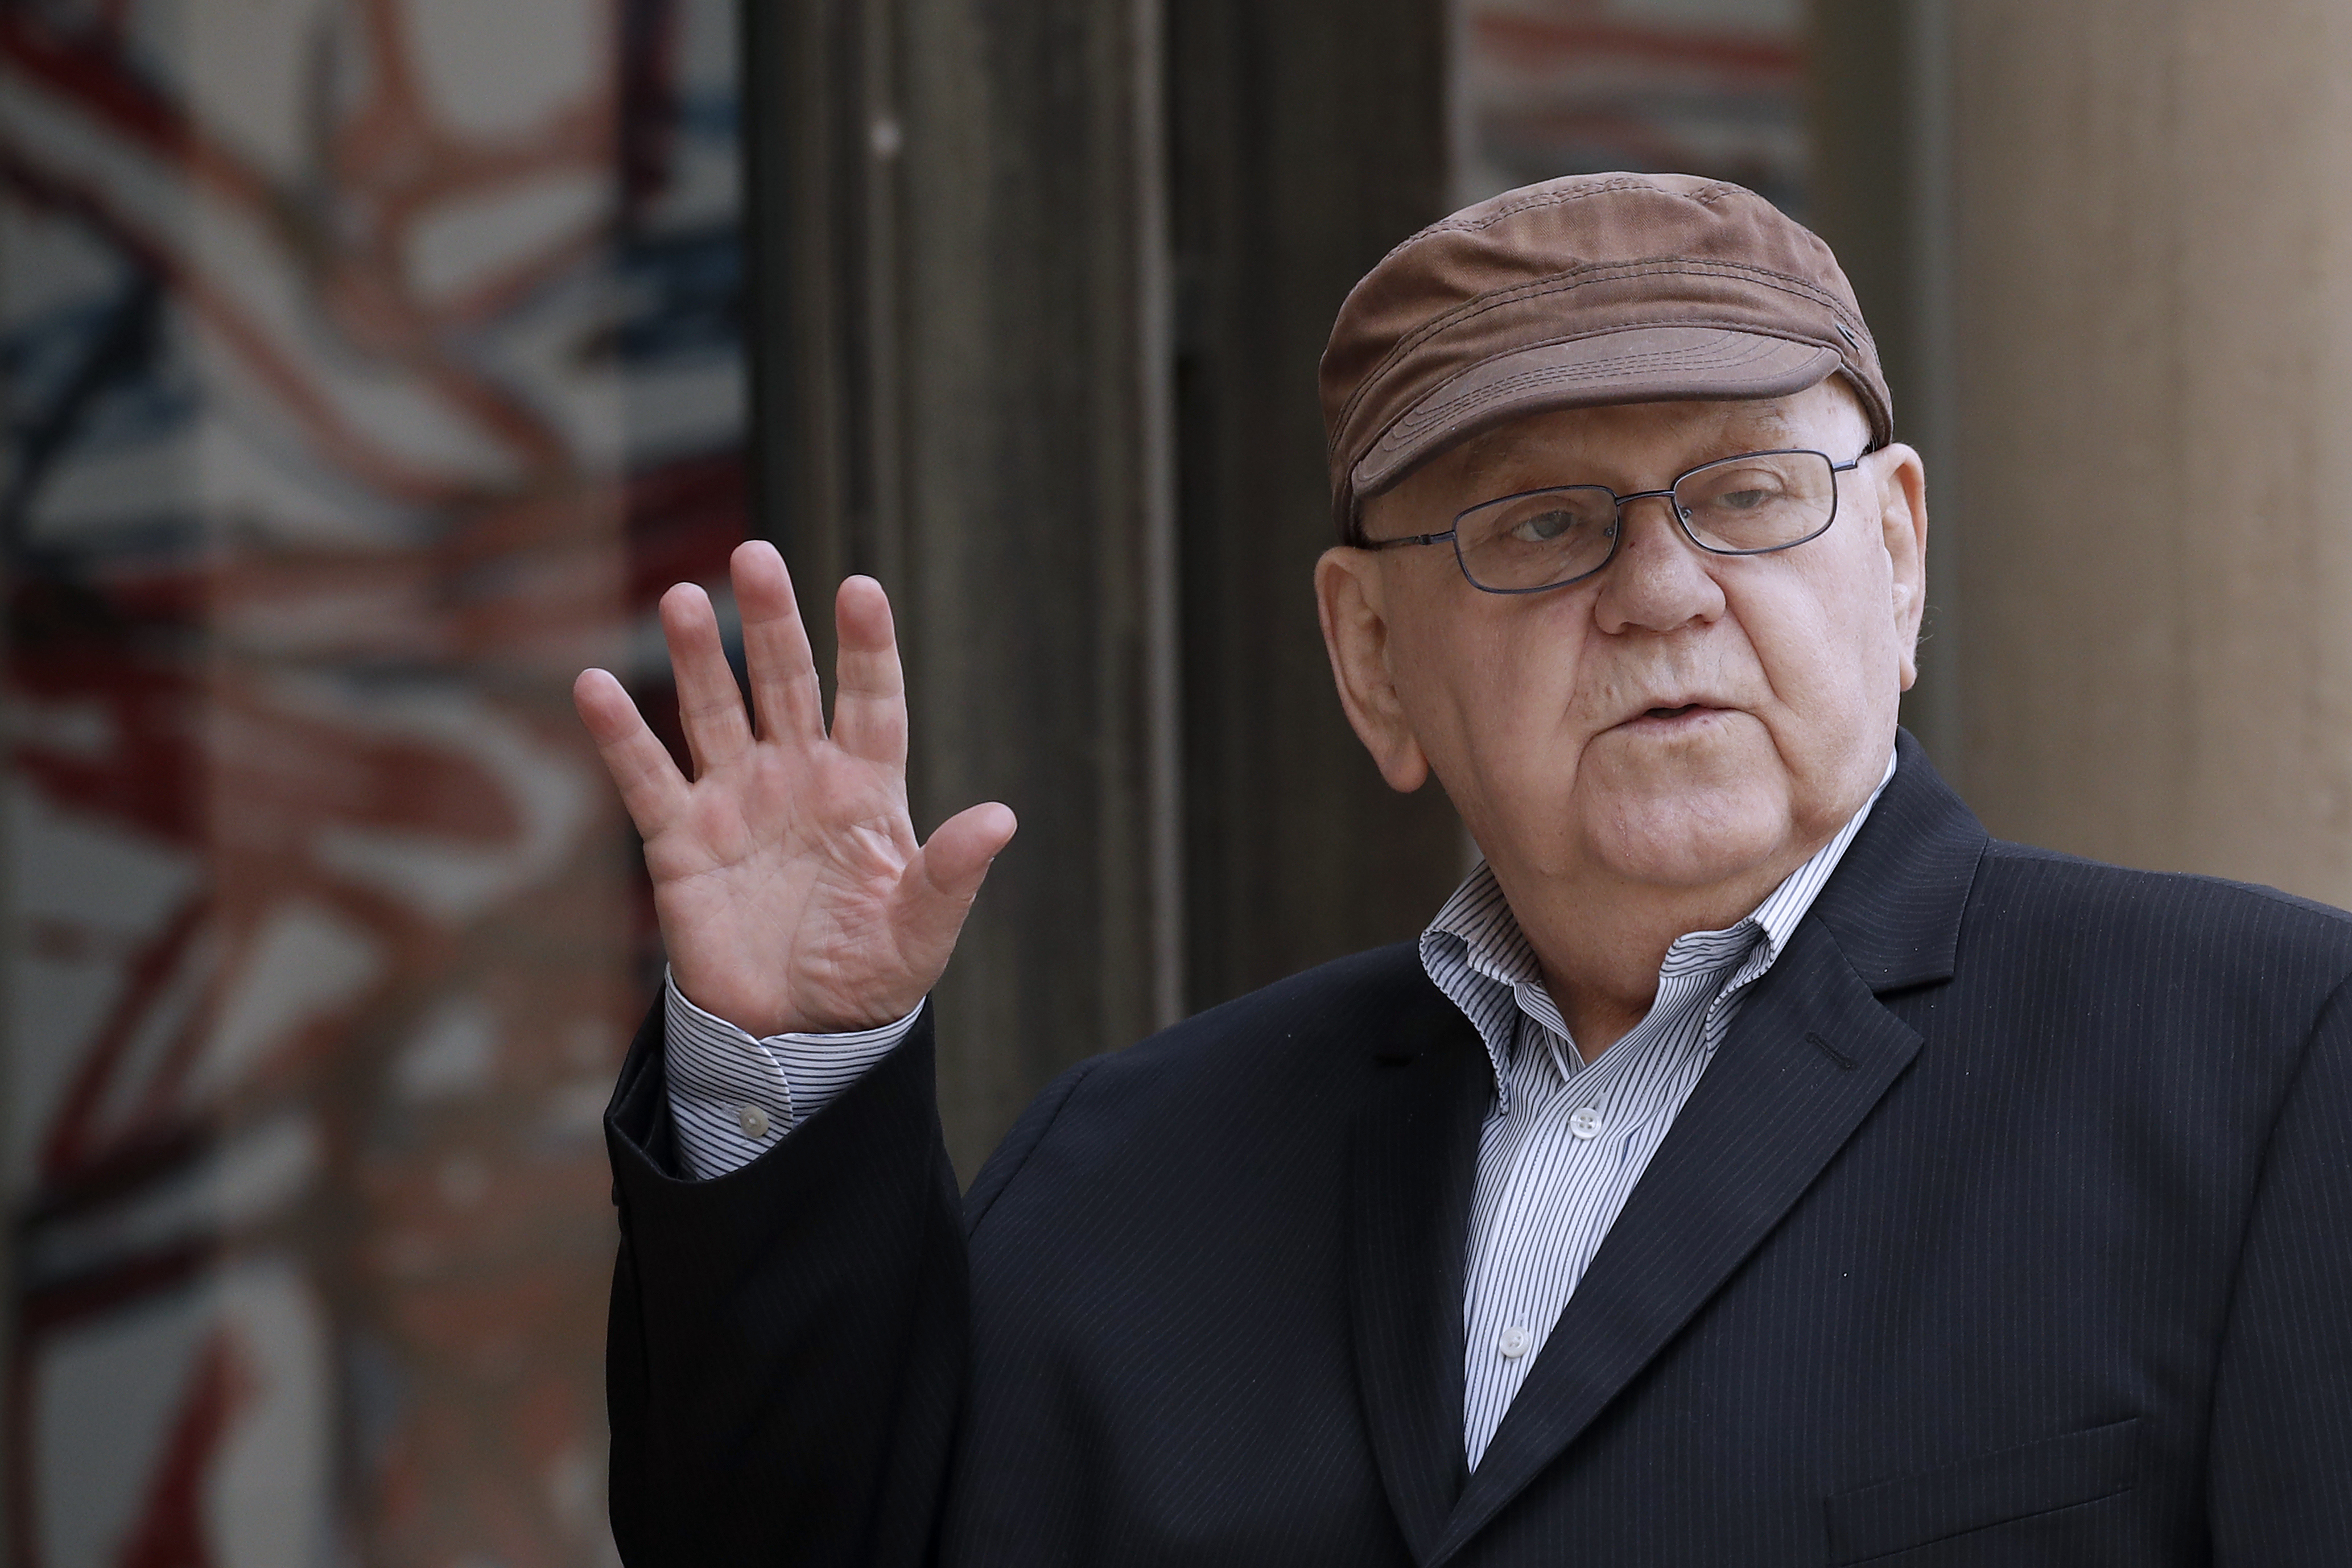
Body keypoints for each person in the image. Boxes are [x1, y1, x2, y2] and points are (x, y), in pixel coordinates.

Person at [572, 174, 2352, 1566]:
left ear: (1894, 559)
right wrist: (785, 1072)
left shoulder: (2263, 1067)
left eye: (1744, 495)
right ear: (1373, 659)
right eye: (1540, 527)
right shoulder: (1132, 1166)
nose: (1661, 590)